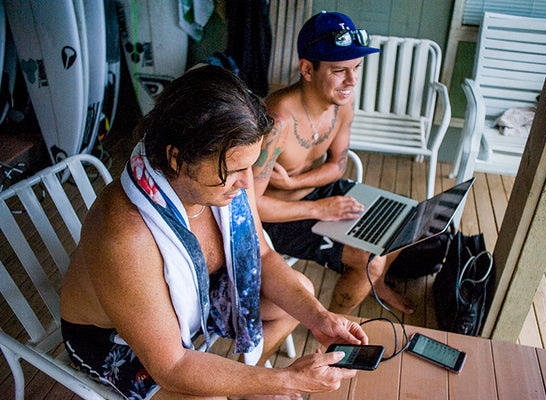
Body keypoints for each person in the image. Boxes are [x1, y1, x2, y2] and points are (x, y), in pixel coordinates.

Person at [60, 65, 368, 400]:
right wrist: (287, 380)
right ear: (176, 158)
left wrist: (320, 318)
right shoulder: (125, 234)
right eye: (234, 170)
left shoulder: (232, 175)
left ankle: (244, 390)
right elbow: (173, 367)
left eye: (248, 166)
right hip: (112, 336)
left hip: (198, 293)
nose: (245, 181)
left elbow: (261, 254)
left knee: (301, 295)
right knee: (207, 397)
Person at [253, 11, 416, 315]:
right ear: (307, 69)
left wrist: (295, 182)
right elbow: (248, 206)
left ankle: (375, 284)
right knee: (371, 259)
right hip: (275, 219)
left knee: (406, 218)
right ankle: (332, 334)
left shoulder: (342, 106)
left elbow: (337, 166)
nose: (352, 81)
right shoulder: (277, 121)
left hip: (315, 193)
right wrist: (318, 208)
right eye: (340, 70)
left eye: (357, 68)